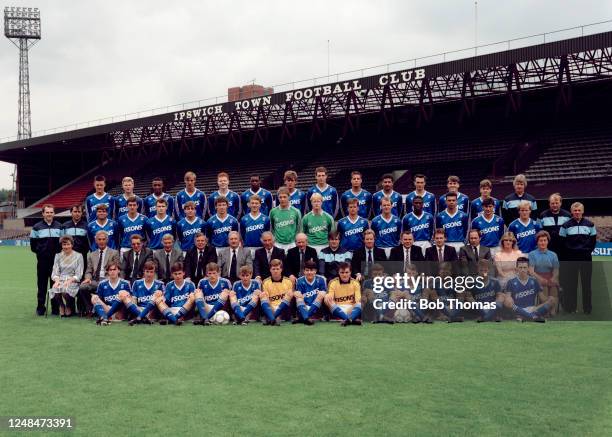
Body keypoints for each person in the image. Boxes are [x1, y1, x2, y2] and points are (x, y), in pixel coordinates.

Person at [559, 202, 597, 314]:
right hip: (571, 259)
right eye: (575, 211)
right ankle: (571, 308)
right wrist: (570, 254)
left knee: (586, 284)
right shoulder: (565, 225)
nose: (577, 212)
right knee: (571, 284)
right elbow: (562, 243)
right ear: (571, 212)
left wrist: (585, 252)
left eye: (579, 210)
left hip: (585, 258)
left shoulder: (590, 224)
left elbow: (593, 242)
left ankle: (587, 309)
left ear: (582, 211)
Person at [30, 204, 62, 315]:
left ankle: (55, 309)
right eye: (47, 212)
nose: (49, 214)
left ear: (54, 213)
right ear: (43, 213)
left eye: (51, 212)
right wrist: (41, 252)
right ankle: (40, 308)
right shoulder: (36, 227)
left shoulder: (59, 226)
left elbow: (62, 243)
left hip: (56, 262)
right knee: (42, 285)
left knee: (55, 285)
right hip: (42, 261)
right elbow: (33, 245)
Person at [78, 231, 120, 315]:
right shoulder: (91, 255)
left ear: (107, 240)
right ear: (96, 241)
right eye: (99, 239)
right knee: (83, 287)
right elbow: (89, 270)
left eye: (103, 239)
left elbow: (116, 269)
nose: (101, 241)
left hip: (108, 279)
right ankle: (90, 309)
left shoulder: (114, 253)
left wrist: (111, 278)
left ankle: (107, 309)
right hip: (95, 280)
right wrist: (88, 278)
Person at [48, 235, 84, 317]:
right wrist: (57, 281)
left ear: (72, 245)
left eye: (68, 244)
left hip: (73, 280)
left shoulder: (79, 256)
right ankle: (61, 305)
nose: (66, 246)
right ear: (61, 245)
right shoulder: (58, 256)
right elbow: (55, 271)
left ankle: (68, 305)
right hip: (60, 279)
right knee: (56, 288)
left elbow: (79, 273)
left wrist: (70, 280)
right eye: (64, 245)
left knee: (65, 289)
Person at [528, 231, 560, 316]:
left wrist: (554, 277)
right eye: (541, 241)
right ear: (537, 242)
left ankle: (552, 308)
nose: (543, 242)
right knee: (544, 286)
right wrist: (540, 278)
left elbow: (556, 270)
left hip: (549, 275)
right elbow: (531, 271)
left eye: (545, 240)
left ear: (547, 241)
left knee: (553, 286)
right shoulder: (532, 254)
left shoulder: (553, 254)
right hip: (537, 276)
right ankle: (545, 309)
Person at [128, 261, 166, 325]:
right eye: (147, 272)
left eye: (151, 272)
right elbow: (134, 301)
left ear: (154, 273)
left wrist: (161, 295)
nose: (149, 274)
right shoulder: (137, 283)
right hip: (139, 310)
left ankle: (141, 318)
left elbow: (163, 303)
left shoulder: (160, 284)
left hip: (153, 311)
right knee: (128, 299)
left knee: (158, 295)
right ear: (144, 271)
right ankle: (143, 317)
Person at [260, 259, 295, 325]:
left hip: (284, 309)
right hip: (271, 309)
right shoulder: (265, 282)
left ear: (281, 269)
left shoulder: (288, 281)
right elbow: (267, 300)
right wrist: (272, 309)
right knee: (263, 296)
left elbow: (290, 300)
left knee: (289, 295)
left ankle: (272, 319)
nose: (275, 271)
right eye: (273, 269)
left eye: (277, 269)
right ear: (270, 270)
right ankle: (274, 318)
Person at [294, 260, 327, 325]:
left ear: (315, 271)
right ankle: (306, 318)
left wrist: (321, 293)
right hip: (304, 307)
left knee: (322, 294)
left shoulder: (321, 279)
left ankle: (304, 318)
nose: (309, 272)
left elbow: (324, 294)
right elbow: (299, 295)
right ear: (304, 271)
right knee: (298, 296)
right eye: (307, 270)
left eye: (311, 270)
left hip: (316, 308)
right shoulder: (300, 280)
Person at [269, 186, 302, 252]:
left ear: (289, 197)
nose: (282, 199)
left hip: (292, 244)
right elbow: (272, 228)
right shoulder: (273, 212)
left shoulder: (296, 211)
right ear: (278, 198)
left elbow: (299, 228)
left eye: (284, 197)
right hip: (277, 244)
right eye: (280, 197)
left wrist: (296, 241)